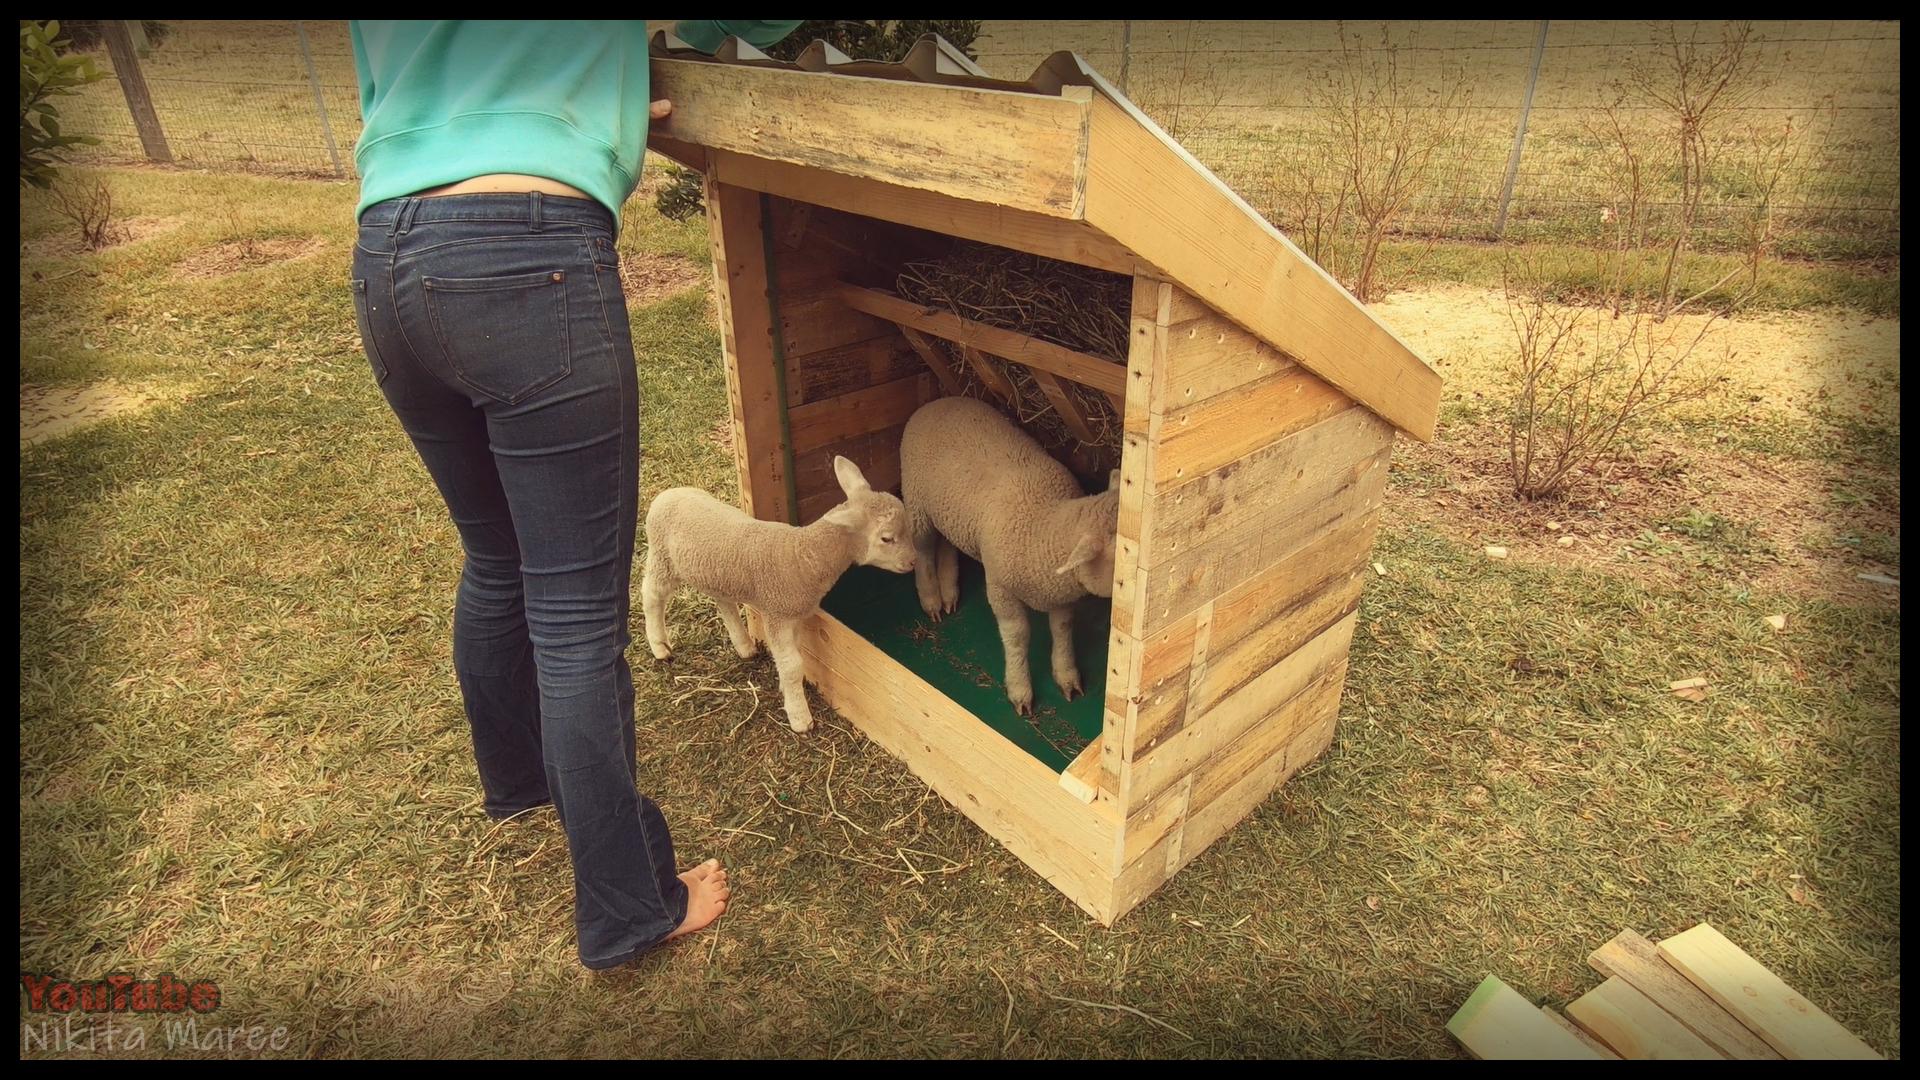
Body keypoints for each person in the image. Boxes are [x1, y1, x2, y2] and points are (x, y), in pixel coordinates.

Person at [346, 20, 802, 970]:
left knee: (494, 554)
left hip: (387, 249)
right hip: (528, 248)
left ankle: (518, 777)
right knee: (574, 617)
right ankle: (630, 910)